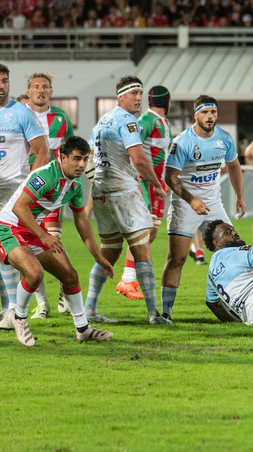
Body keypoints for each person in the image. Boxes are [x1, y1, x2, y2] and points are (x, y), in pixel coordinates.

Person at [0, 136, 113, 346]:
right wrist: (44, 235)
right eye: (76, 159)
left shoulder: (74, 185)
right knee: (34, 273)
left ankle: (83, 329)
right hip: (8, 227)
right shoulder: (46, 175)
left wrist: (98, 256)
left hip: (32, 230)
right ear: (62, 157)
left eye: (85, 159)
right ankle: (19, 318)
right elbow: (19, 207)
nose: (82, 164)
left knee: (70, 276)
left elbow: (82, 221)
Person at [85, 75, 169, 325]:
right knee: (142, 249)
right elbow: (140, 160)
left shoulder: (102, 121)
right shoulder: (128, 121)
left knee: (109, 252)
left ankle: (89, 310)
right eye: (134, 94)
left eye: (141, 94)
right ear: (121, 96)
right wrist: (157, 184)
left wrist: (96, 181)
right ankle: (154, 314)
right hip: (123, 191)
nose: (139, 99)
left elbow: (89, 154)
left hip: (101, 192)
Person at [160, 95, 246, 321]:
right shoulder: (182, 142)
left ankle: (235, 303)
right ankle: (166, 312)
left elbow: (234, 165)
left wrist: (239, 196)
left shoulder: (224, 139)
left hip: (214, 204)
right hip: (184, 206)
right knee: (177, 258)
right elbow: (170, 176)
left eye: (213, 112)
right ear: (196, 114)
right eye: (205, 112)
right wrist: (191, 200)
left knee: (231, 252)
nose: (210, 117)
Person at [0, 63, 49, 331]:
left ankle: (13, 308)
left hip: (11, 190)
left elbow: (41, 150)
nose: (0, 86)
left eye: (3, 81)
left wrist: (29, 186)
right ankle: (7, 308)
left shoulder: (21, 113)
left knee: (3, 245)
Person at [23, 72, 75, 319]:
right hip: (26, 191)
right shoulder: (21, 115)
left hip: (54, 193)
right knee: (29, 249)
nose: (41, 90)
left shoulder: (61, 118)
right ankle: (42, 304)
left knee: (52, 244)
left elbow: (73, 147)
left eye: (45, 87)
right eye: (36, 87)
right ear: (29, 91)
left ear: (51, 92)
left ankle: (66, 284)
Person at [115, 85, 172, 300]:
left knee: (151, 232)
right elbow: (131, 150)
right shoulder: (146, 121)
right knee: (142, 231)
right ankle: (128, 279)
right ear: (168, 101)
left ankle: (130, 277)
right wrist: (137, 180)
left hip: (157, 185)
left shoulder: (163, 122)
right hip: (146, 184)